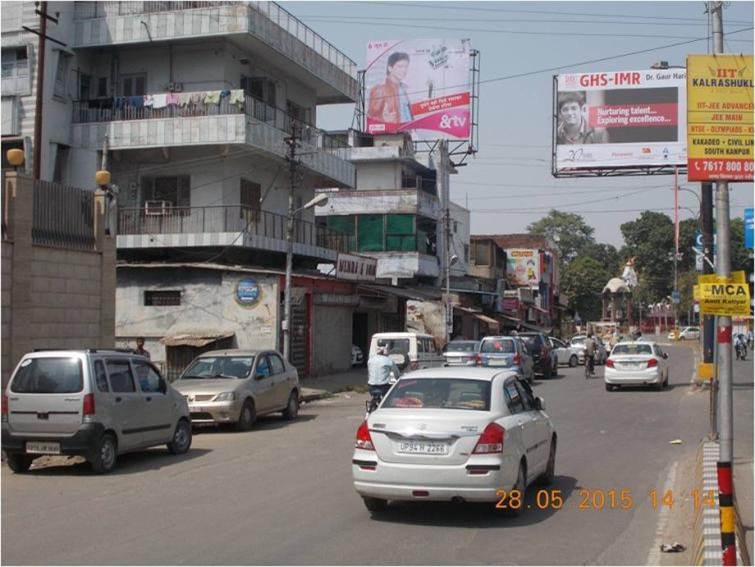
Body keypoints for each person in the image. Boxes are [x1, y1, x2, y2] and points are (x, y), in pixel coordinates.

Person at [367, 52, 413, 125]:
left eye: (406, 67)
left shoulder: (404, 89)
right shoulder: (380, 90)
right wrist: (383, 119)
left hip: (409, 132)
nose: (404, 70)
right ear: (390, 68)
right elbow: (371, 119)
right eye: (400, 67)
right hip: (394, 134)